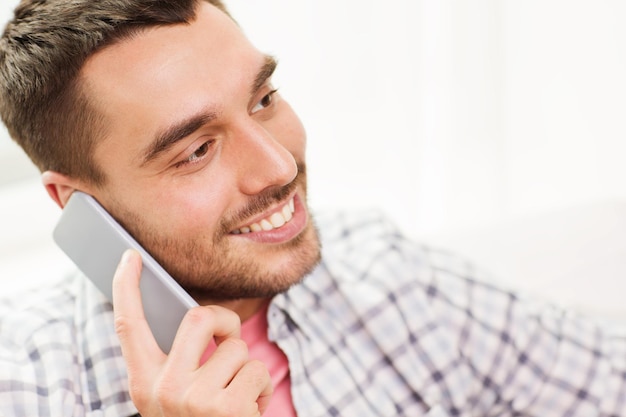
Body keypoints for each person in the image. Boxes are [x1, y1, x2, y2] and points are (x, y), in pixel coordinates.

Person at [0, 0, 624, 416]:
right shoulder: (25, 380)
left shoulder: (384, 271)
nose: (278, 166)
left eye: (264, 98)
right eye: (196, 150)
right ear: (76, 205)